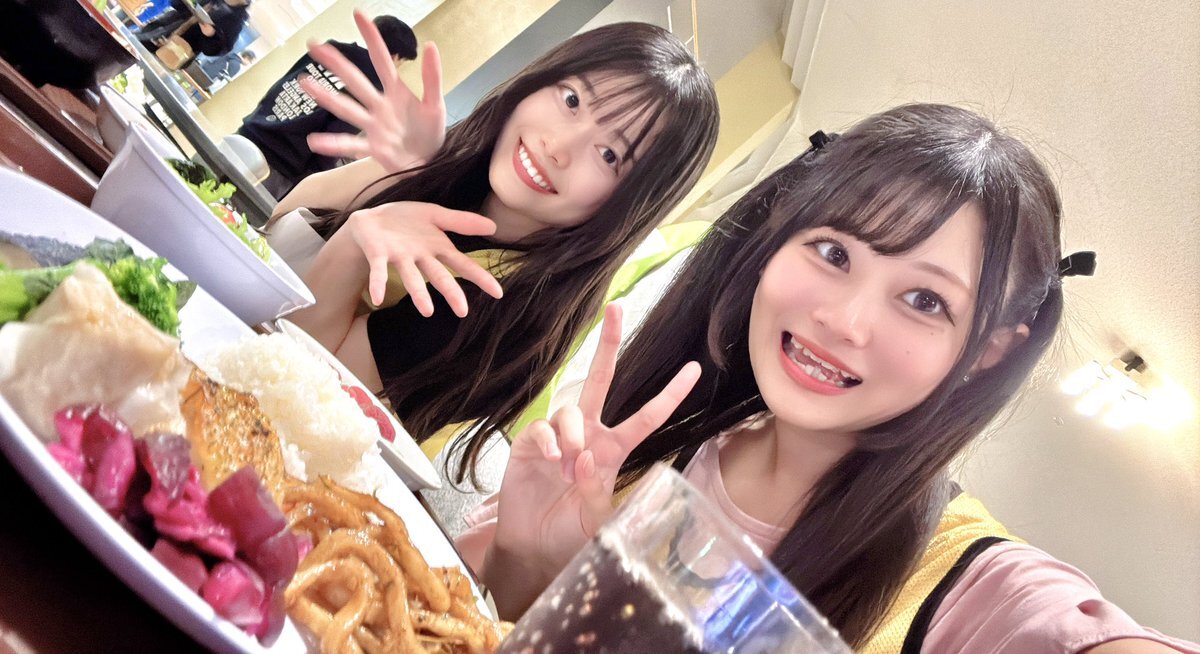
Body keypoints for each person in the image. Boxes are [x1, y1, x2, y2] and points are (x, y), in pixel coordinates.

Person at [462, 104, 1200, 653]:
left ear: (989, 353)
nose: (845, 321)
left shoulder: (965, 583)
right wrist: (529, 561)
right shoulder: (649, 451)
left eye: (925, 300)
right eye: (834, 253)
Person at [277, 18, 720, 483]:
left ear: (627, 205)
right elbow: (280, 224)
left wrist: (355, 243)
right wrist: (403, 173)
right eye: (572, 100)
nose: (558, 146)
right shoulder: (457, 174)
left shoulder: (501, 304)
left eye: (609, 154)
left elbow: (294, 382)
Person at [237, 14, 418, 198]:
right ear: (395, 57)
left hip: (249, 134)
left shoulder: (330, 50)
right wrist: (306, 183)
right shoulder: (373, 86)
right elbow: (334, 140)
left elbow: (281, 84)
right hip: (279, 165)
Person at [136, 0, 252, 60]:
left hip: (173, 51)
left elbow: (222, 48)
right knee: (134, 43)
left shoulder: (237, 19)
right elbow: (183, 8)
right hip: (157, 31)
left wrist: (211, 34)